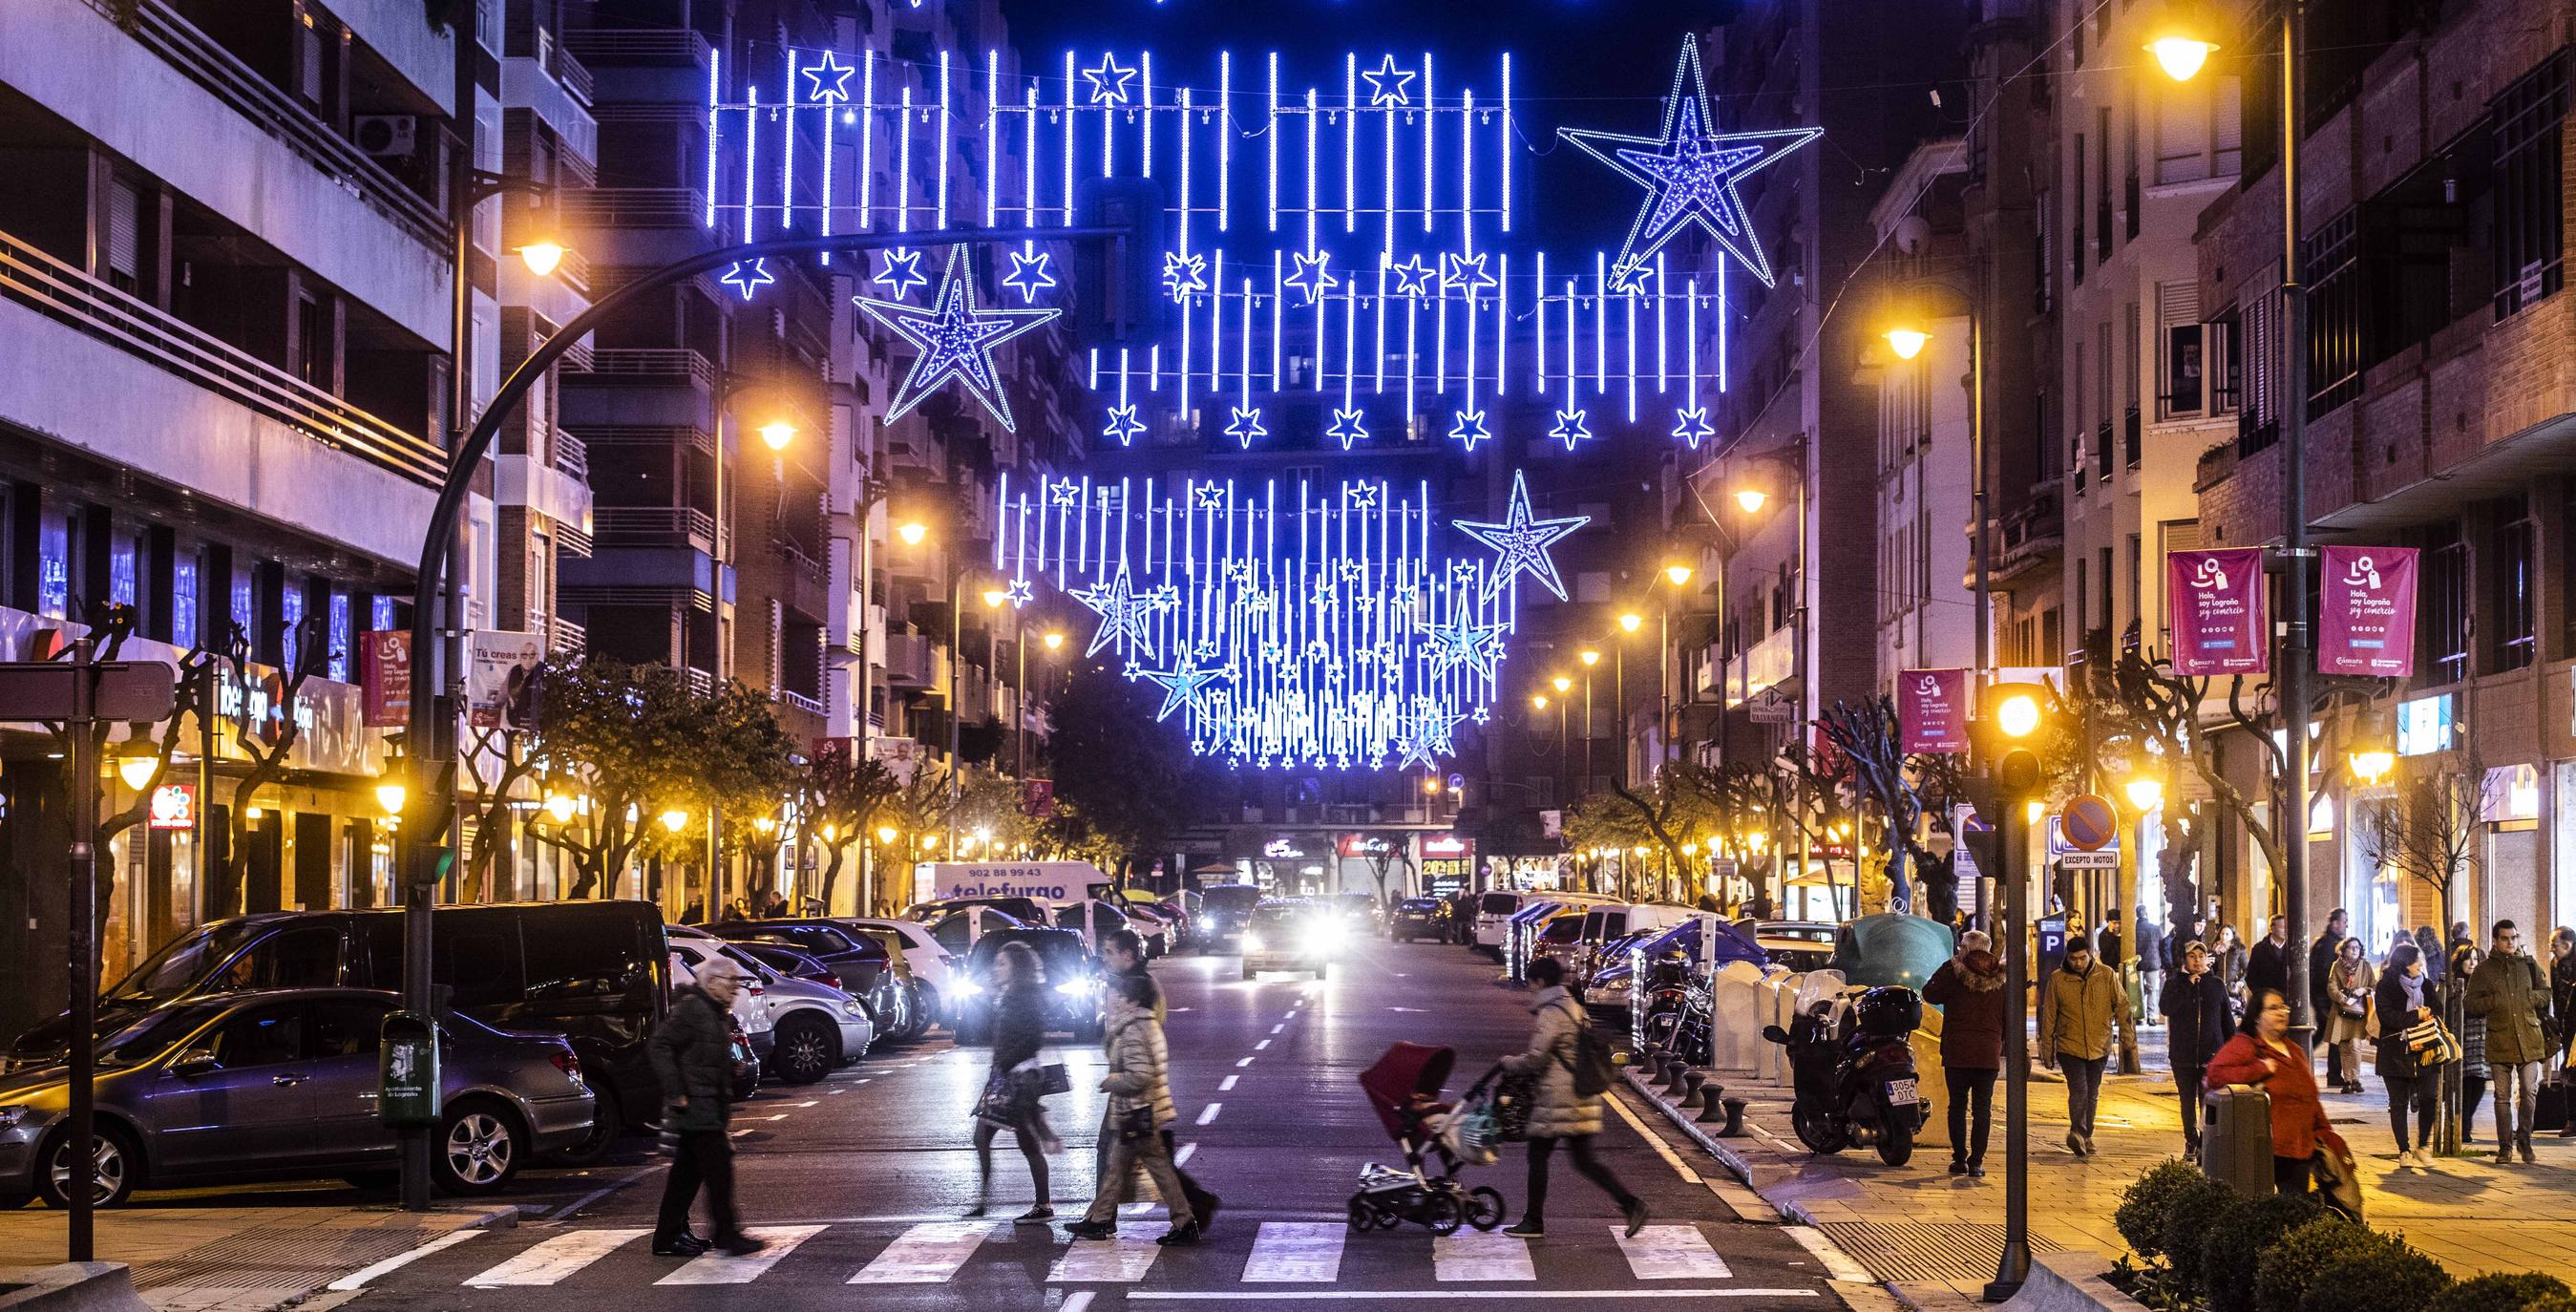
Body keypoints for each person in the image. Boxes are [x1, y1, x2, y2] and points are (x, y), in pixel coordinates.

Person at [1503, 957, 1648, 1239]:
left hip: (1559, 1097)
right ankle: (1631, 1204)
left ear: (1541, 982)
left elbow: (1536, 1058)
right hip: (1581, 1094)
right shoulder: (1574, 1006)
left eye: (1532, 984)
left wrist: (1508, 1062)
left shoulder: (1552, 1012)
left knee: (1538, 1155)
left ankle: (1533, 1221)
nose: (1531, 990)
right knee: (1584, 1161)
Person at [1095, 930, 1221, 1228]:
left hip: (1136, 1086)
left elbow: (1145, 1033)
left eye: (1110, 951)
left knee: (1136, 1154)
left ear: (1128, 955)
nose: (1104, 957)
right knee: (1145, 1156)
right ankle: (1191, 1206)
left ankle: (1103, 1217)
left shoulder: (1141, 986)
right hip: (1129, 1082)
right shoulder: (1122, 984)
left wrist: (1124, 1072)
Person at [1067, 972, 1198, 1245]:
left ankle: (1183, 1221)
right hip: (1137, 1111)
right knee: (1120, 1167)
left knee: (1152, 1169)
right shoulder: (1140, 1024)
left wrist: (1113, 1080)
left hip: (1137, 1111)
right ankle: (1100, 1219)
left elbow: (1140, 1076)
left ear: (1131, 1000)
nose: (1110, 999)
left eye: (1115, 994)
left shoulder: (1135, 1029)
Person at [649, 955, 764, 1258]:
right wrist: (676, 1091)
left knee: (685, 1177)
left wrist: (729, 1067)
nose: (736, 989)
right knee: (718, 1172)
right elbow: (659, 1045)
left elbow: (701, 1054)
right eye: (731, 983)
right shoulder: (693, 1009)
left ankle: (667, 1236)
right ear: (712, 983)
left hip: (707, 1105)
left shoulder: (713, 1012)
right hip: (696, 1106)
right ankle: (726, 1234)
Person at [2206, 987, 2331, 1196]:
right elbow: (2216, 1074)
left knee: (2295, 1208)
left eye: (2284, 1007)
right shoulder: (2247, 1045)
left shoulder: (2294, 1050)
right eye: (2273, 1008)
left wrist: (2325, 1131)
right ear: (2257, 1017)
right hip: (2268, 1150)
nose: (2282, 1012)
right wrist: (2259, 1068)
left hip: (2301, 1148)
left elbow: (2310, 1096)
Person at [967, 941, 1057, 1222]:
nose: (997, 968)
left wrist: (1006, 1062)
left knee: (1028, 1142)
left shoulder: (1027, 997)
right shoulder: (1006, 996)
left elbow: (1034, 1039)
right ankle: (982, 1202)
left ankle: (1043, 1206)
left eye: (1003, 963)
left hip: (1020, 1077)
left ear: (1017, 968)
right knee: (981, 1137)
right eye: (997, 963)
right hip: (1002, 1077)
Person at [2465, 920, 2553, 1164]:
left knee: (2529, 1090)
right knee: (2502, 1097)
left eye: (2513, 938)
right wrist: (2492, 1002)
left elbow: (2546, 993)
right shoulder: (2484, 970)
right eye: (2505, 938)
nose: (2510, 942)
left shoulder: (2528, 964)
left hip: (2528, 1038)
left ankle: (2524, 1139)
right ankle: (2505, 1147)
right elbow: (2469, 1003)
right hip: (2500, 1038)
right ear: (2495, 940)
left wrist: (2531, 998)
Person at [1923, 932, 2004, 1176]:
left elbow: (1930, 993)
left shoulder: (1954, 971)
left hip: (1958, 1051)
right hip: (1988, 1052)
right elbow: (2009, 1016)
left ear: (1966, 950)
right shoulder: (2001, 976)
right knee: (1983, 1108)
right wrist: (2000, 1044)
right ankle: (1977, 1162)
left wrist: (1950, 964)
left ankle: (1959, 1159)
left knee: (1957, 1106)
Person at [2045, 940, 2120, 1156]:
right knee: (2080, 1089)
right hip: (2070, 1045)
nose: (2078, 963)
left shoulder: (2106, 975)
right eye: (2073, 958)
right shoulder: (2058, 979)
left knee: (2092, 1092)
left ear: (2090, 955)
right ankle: (2077, 1132)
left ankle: (2086, 1136)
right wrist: (2048, 1050)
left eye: (2082, 958)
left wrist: (2126, 1036)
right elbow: (2050, 1016)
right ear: (2067, 958)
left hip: (2099, 1044)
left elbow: (2121, 1005)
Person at [2161, 941, 2233, 1155]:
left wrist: (2232, 1050)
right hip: (2183, 1055)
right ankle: (2191, 1139)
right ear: (2185, 959)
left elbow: (2226, 1020)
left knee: (2207, 1100)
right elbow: (2167, 1008)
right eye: (2192, 956)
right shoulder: (2174, 983)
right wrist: (2188, 986)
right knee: (2186, 1099)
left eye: (2201, 956)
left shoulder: (2217, 985)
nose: (2197, 960)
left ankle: (2206, 1141)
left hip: (2211, 1054)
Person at [2375, 942, 2440, 1168]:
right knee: (2399, 1102)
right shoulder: (2386, 986)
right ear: (2404, 964)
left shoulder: (2427, 985)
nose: (2421, 964)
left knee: (2429, 1096)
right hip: (2395, 1052)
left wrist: (2429, 1015)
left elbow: (2439, 1011)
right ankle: (2404, 1150)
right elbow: (2387, 1018)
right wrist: (2416, 1016)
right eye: (2416, 961)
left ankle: (2423, 1145)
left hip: (2425, 1051)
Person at [2322, 937, 2375, 1095]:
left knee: (2355, 1044)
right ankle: (2347, 1080)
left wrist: (2363, 990)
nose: (2354, 950)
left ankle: (2356, 1079)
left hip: (2358, 1011)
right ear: (2344, 950)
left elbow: (2373, 984)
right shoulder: (2336, 966)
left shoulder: (2365, 966)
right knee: (2344, 1046)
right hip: (2342, 1011)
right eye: (2351, 947)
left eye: (2357, 948)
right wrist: (2342, 998)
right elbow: (2331, 986)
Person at [2311, 909, 2352, 1090]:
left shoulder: (2331, 943)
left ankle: (2298, 1056)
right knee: (2335, 1035)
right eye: (2344, 921)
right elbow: (2323, 976)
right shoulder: (2327, 945)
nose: (2346, 925)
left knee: (2325, 1034)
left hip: (2327, 998)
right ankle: (2333, 1075)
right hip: (2326, 998)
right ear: (2334, 923)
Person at [2452, 945, 2489, 1141]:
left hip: (2481, 1036)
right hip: (2462, 1036)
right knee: (2464, 1083)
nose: (2473, 963)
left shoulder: (2484, 983)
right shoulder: (2453, 985)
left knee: (2479, 1082)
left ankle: (2466, 1121)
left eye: (2476, 959)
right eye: (2469, 959)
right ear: (2460, 961)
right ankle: (2463, 1127)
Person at [2247, 915, 2292, 1001]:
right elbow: (2251, 977)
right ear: (2272, 928)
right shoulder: (2259, 949)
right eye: (2283, 927)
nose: (2286, 930)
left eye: (2287, 927)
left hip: (2287, 999)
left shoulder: (2292, 949)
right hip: (2266, 999)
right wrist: (2260, 995)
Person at [2135, 912, 2165, 1027]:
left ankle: (2140, 1016)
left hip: (2136, 963)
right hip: (2153, 962)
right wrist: (2163, 964)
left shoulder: (2133, 929)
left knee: (2138, 991)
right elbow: (2163, 946)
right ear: (2147, 914)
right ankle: (2151, 1016)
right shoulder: (2156, 928)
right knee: (2152, 990)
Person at [2214, 924, 2250, 1009]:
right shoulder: (2214, 949)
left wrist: (2241, 981)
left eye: (2227, 934)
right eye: (2222, 934)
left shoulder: (2239, 949)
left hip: (2233, 988)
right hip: (2217, 988)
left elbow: (2248, 969)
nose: (2224, 936)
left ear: (2233, 936)